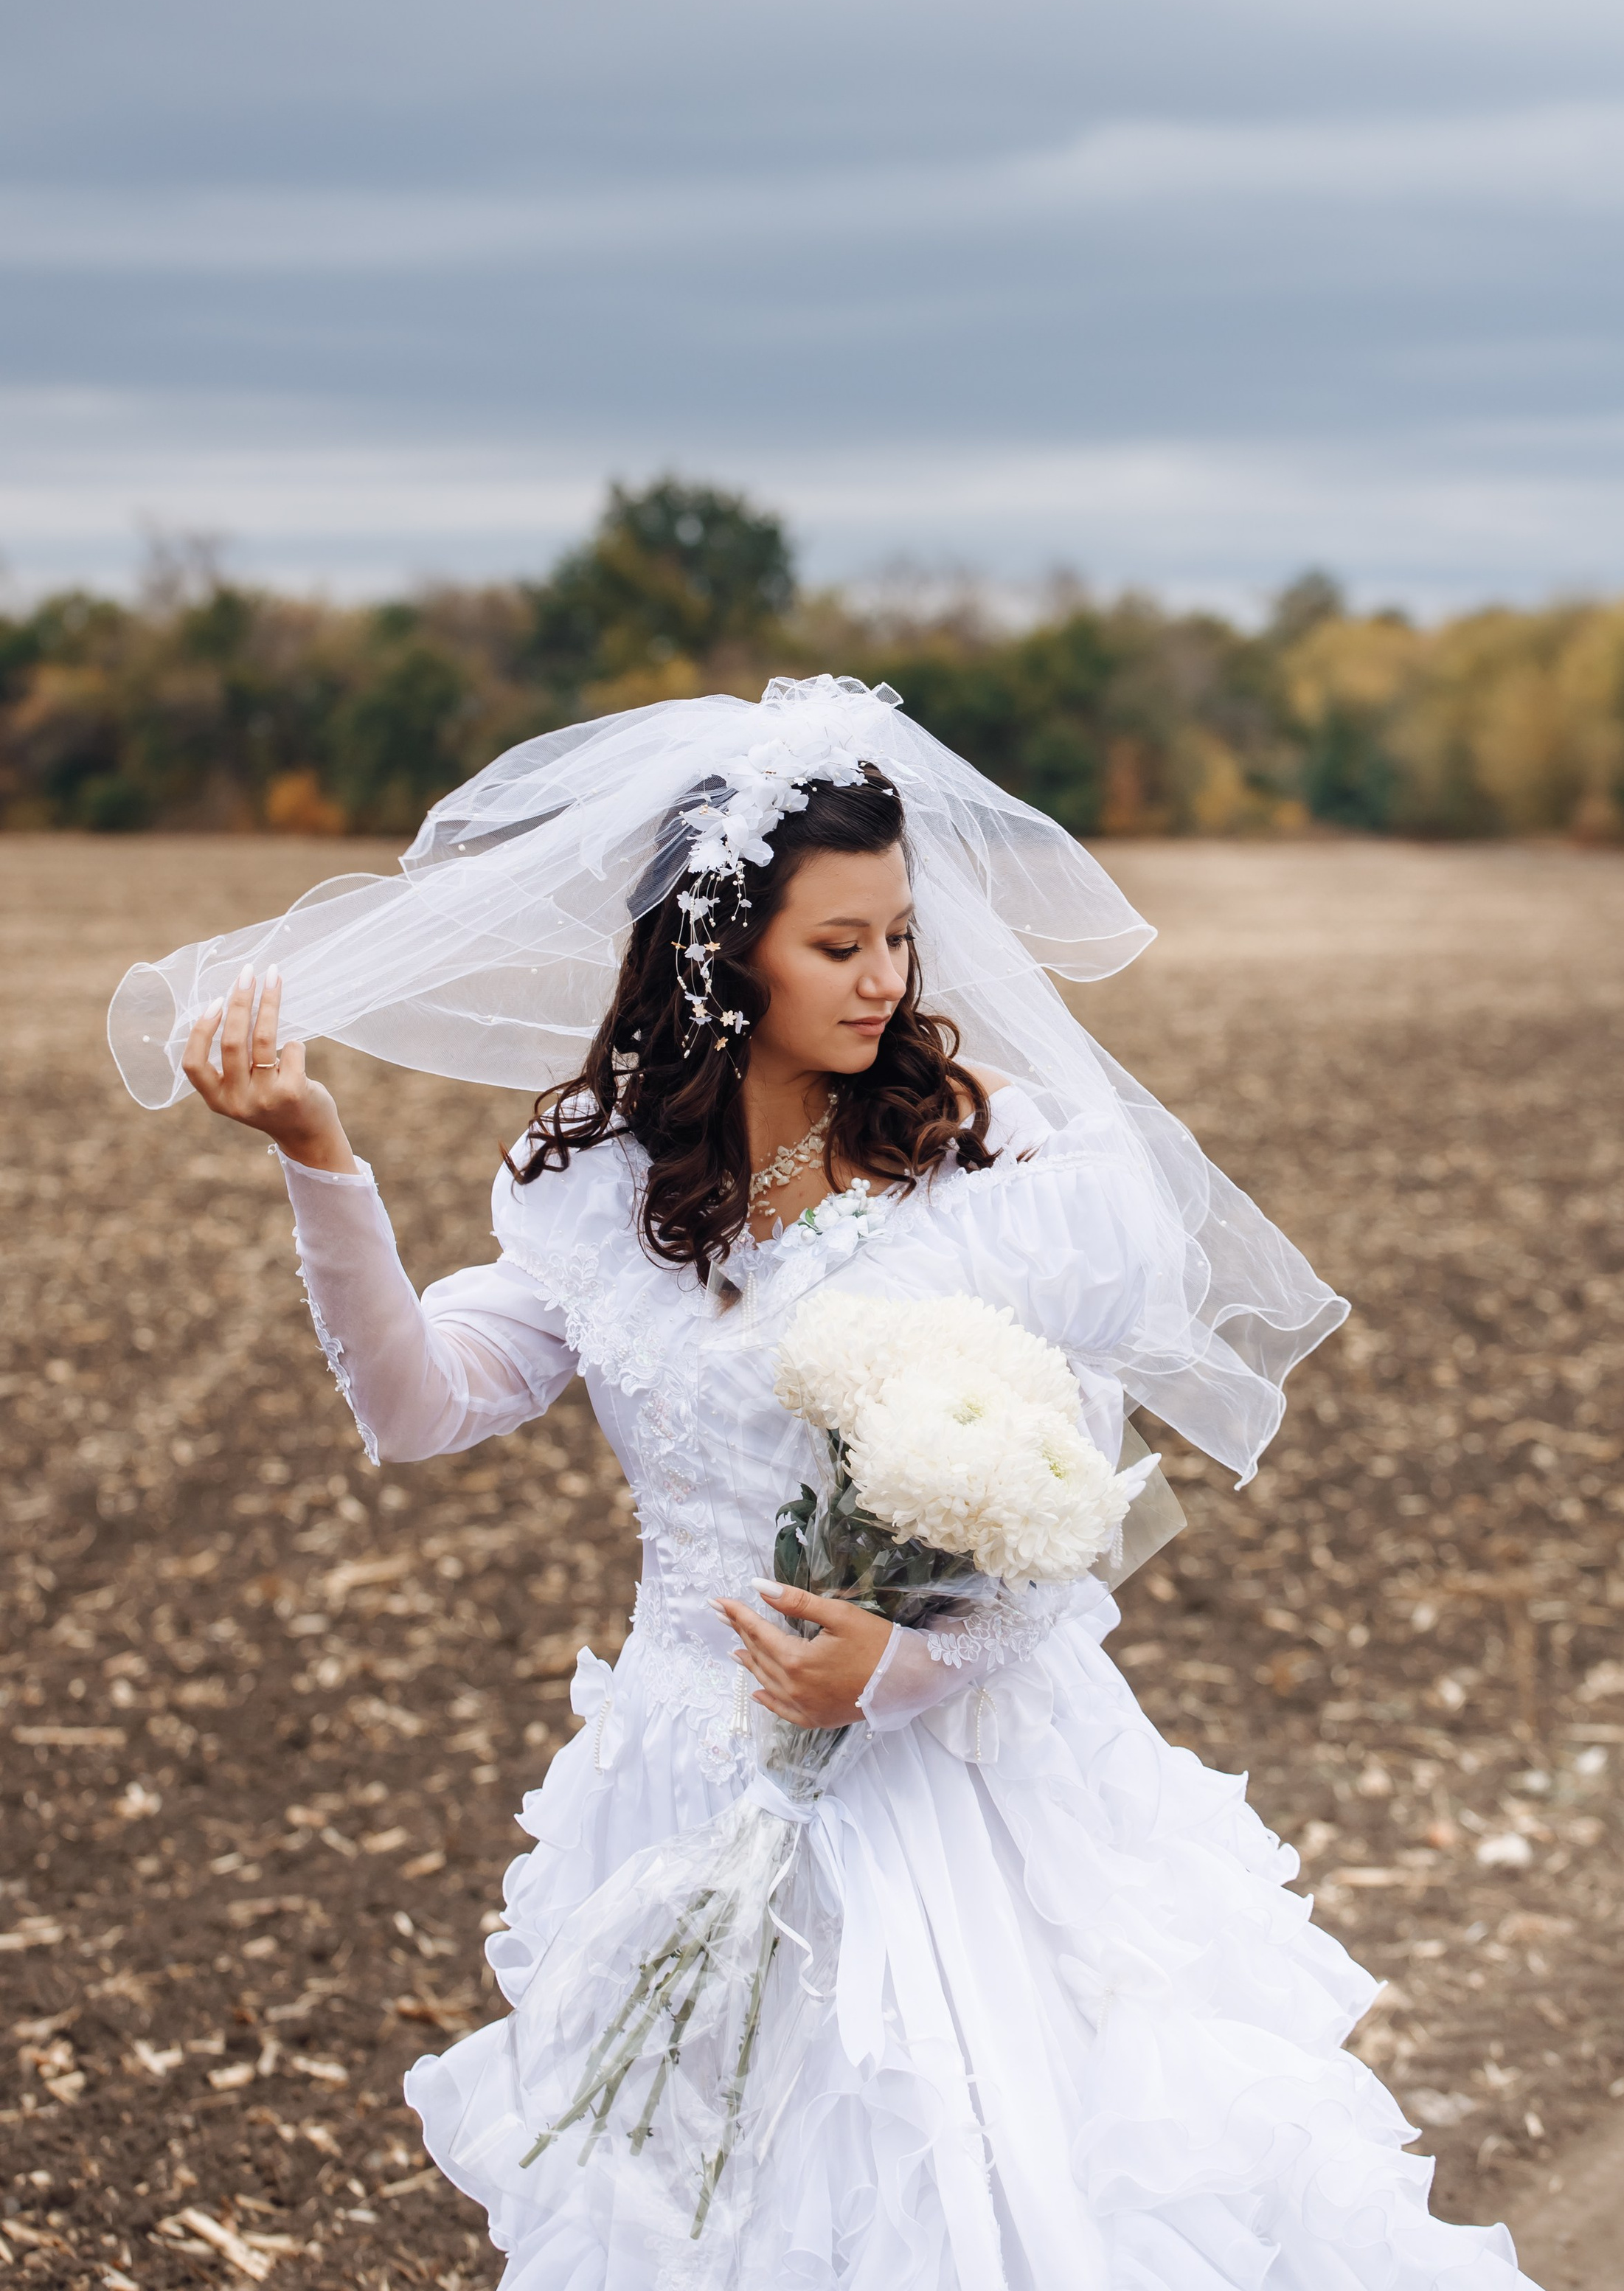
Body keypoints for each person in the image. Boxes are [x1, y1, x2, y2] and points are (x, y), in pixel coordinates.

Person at [118, 674, 1535, 2290]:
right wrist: (318, 1157)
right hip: (686, 1772)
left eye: (897, 938)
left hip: (951, 1793)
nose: (885, 979)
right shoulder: (598, 1190)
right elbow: (415, 1405)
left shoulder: (1000, 1175)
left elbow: (1078, 1522)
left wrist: (910, 1666)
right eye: (837, 944)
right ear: (724, 954)